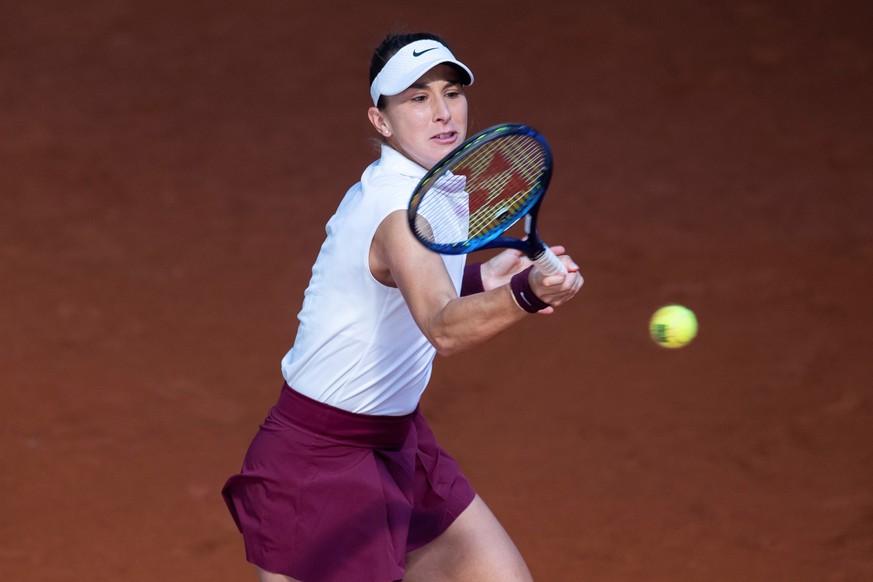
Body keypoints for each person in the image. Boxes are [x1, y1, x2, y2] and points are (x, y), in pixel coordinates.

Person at [222, 32, 584, 582]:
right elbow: (441, 328)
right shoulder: (397, 207)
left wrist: (483, 276)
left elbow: (400, 286)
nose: (443, 113)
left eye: (451, 92)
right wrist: (526, 294)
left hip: (398, 444)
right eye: (417, 98)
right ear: (381, 121)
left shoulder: (434, 186)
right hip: (318, 464)